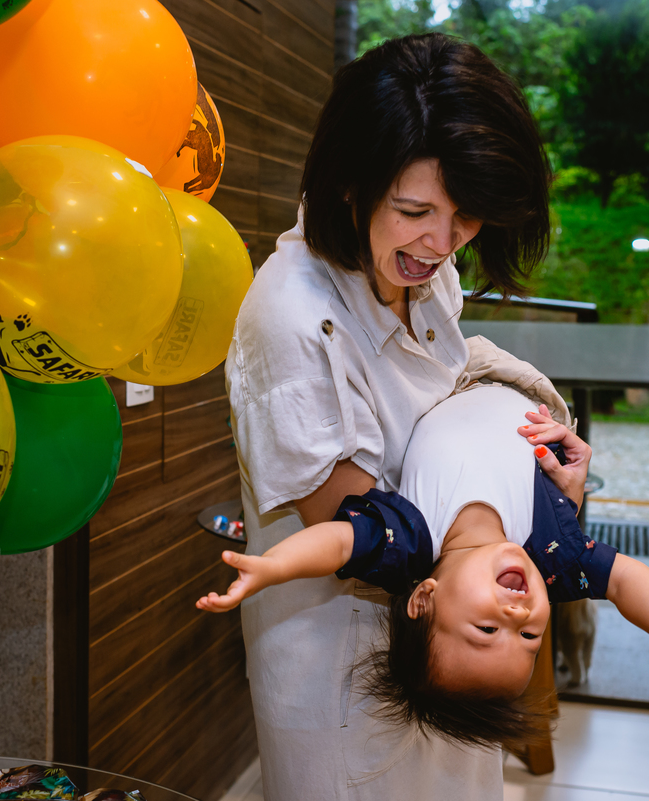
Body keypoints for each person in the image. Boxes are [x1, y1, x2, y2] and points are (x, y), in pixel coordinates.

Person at [227, 32, 561, 801]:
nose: (441, 245)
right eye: (415, 211)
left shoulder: (421, 272)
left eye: (466, 216)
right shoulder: (294, 316)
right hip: (352, 672)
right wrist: (528, 521)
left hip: (450, 643)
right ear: (351, 183)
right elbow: (374, 538)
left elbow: (444, 422)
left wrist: (536, 465)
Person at [201, 385, 649, 748]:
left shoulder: (408, 545)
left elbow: (338, 543)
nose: (518, 614)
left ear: (425, 598)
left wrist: (272, 567)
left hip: (454, 376)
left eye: (489, 629)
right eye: (531, 634)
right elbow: (627, 578)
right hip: (523, 391)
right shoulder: (553, 556)